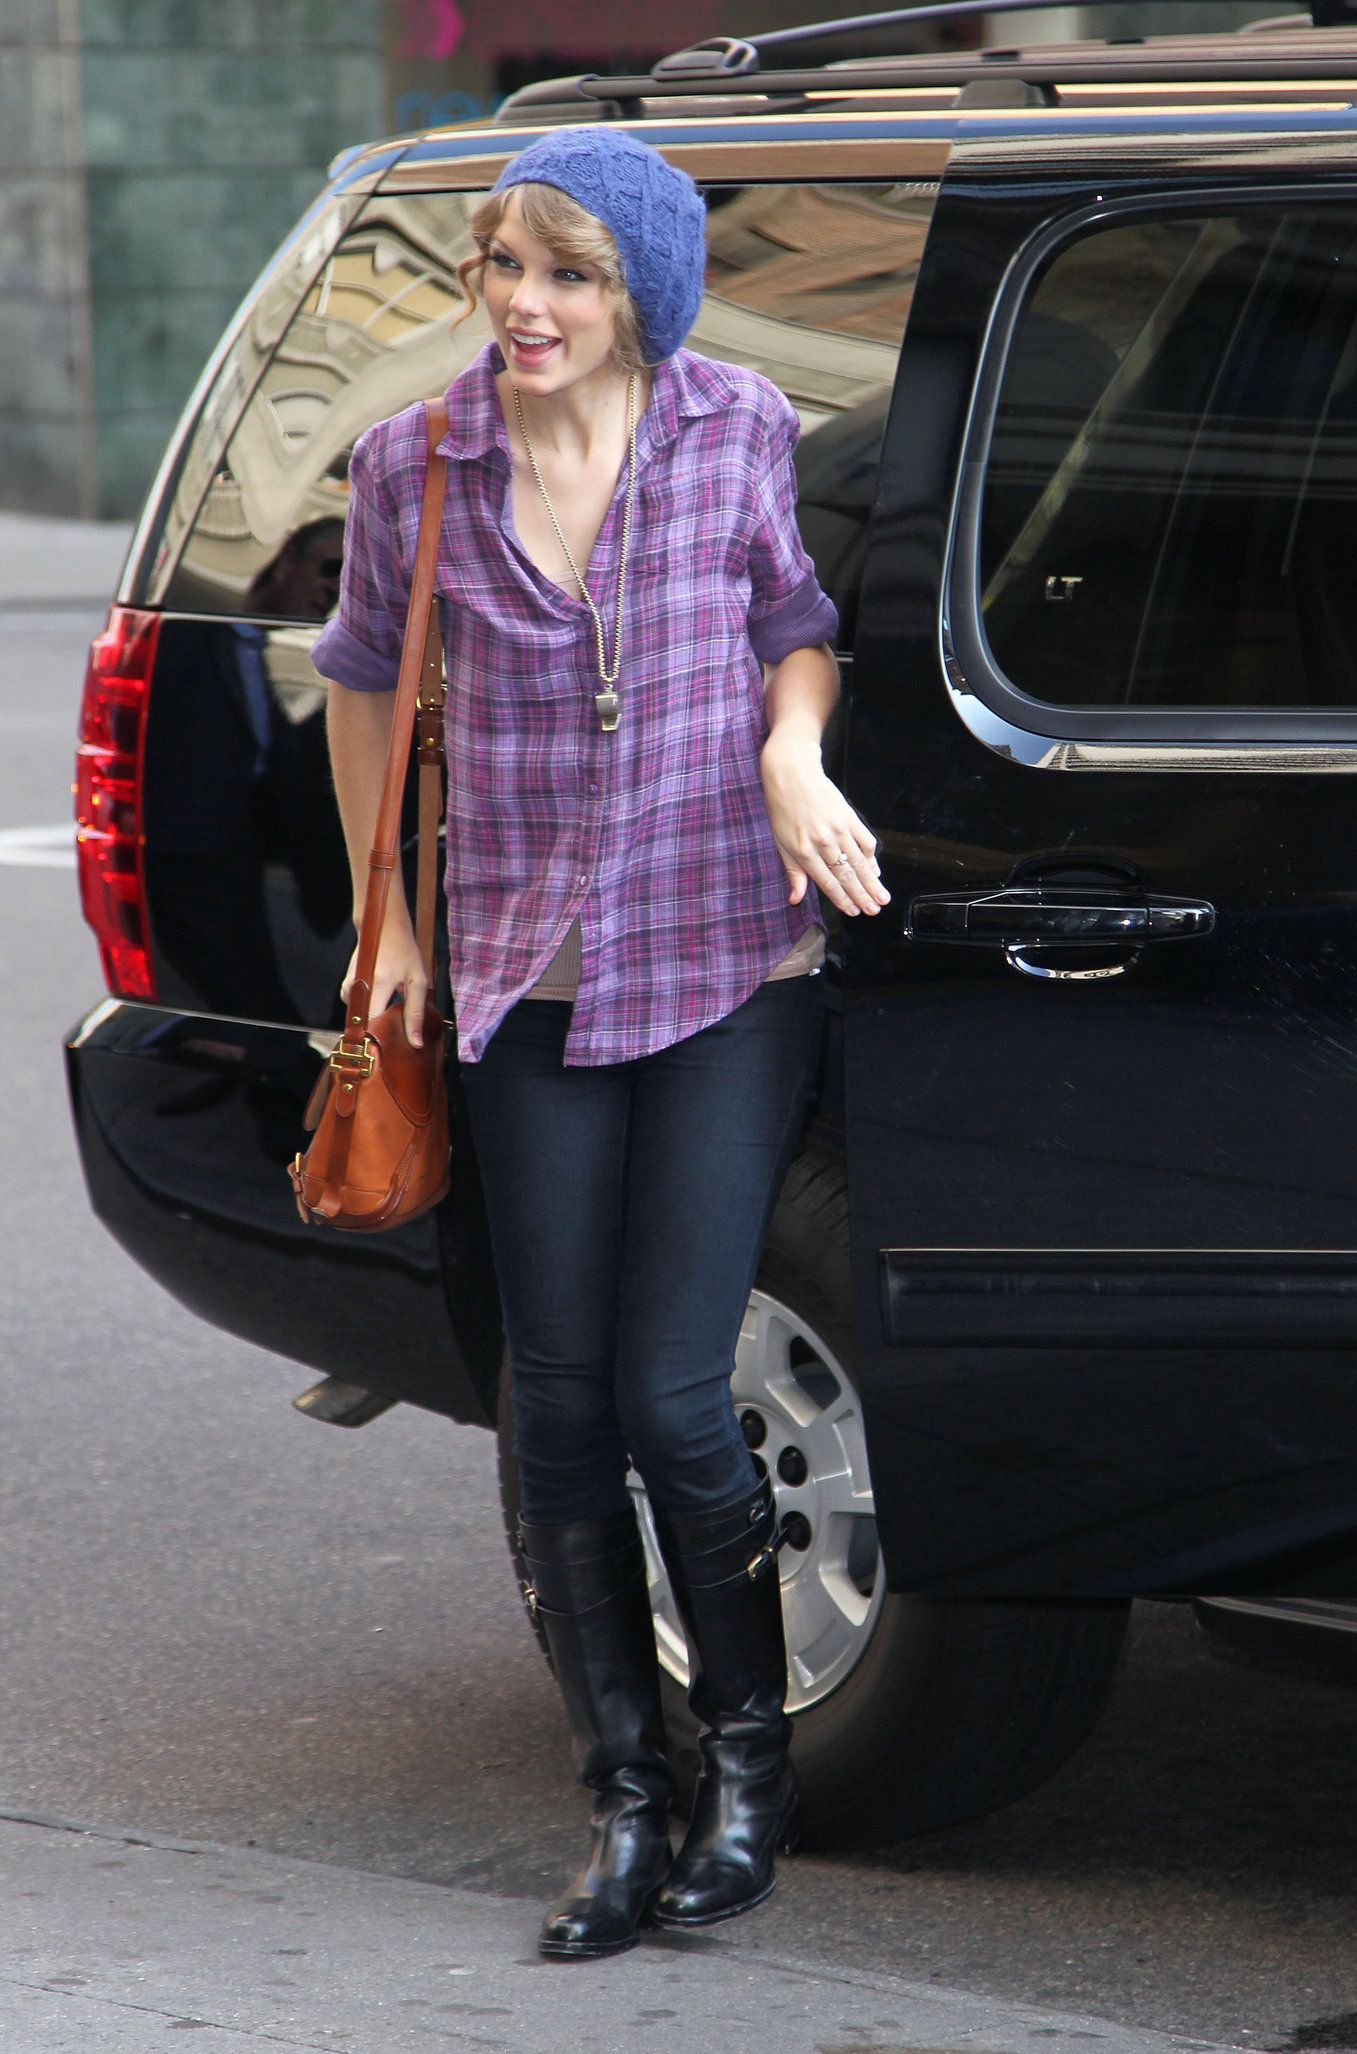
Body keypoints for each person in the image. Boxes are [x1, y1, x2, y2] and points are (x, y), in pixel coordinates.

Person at [311, 127, 888, 1962]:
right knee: (551, 1399)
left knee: (663, 1387)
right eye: (502, 267)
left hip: (725, 951)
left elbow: (797, 627)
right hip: (525, 972)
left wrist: (793, 751)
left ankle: (744, 1774)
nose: (526, 306)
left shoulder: (729, 430)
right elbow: (360, 680)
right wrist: (387, 916)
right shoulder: (418, 462)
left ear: (639, 292)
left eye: (567, 274)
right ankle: (625, 1803)